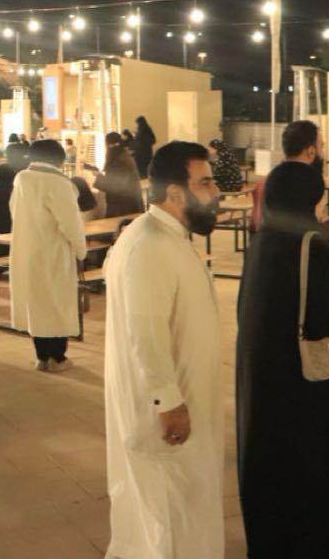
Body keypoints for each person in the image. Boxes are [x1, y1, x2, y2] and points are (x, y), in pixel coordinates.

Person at [236, 162, 329, 557]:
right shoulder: (310, 244)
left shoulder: (261, 242)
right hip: (301, 385)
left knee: (270, 469)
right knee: (312, 469)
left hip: (261, 374)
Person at [103, 141, 223, 558]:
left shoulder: (167, 237)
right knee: (165, 513)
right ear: (175, 193)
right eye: (205, 183)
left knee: (180, 506)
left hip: (184, 398)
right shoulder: (148, 244)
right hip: (165, 414)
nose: (216, 193)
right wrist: (167, 400)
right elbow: (145, 331)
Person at [8, 140, 87, 372]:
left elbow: (13, 209)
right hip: (54, 251)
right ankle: (58, 358)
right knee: (57, 303)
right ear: (59, 159)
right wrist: (81, 250)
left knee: (36, 303)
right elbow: (71, 224)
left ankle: (41, 357)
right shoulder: (59, 183)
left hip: (27, 249)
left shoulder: (21, 179)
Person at [249, 119, 325, 234]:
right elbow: (316, 218)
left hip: (264, 242)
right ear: (311, 151)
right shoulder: (310, 179)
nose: (323, 153)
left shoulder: (270, 178)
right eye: (321, 147)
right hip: (296, 244)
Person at [94, 144, 144, 217]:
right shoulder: (124, 159)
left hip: (124, 209)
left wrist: (99, 177)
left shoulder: (121, 162)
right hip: (129, 207)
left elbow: (115, 186)